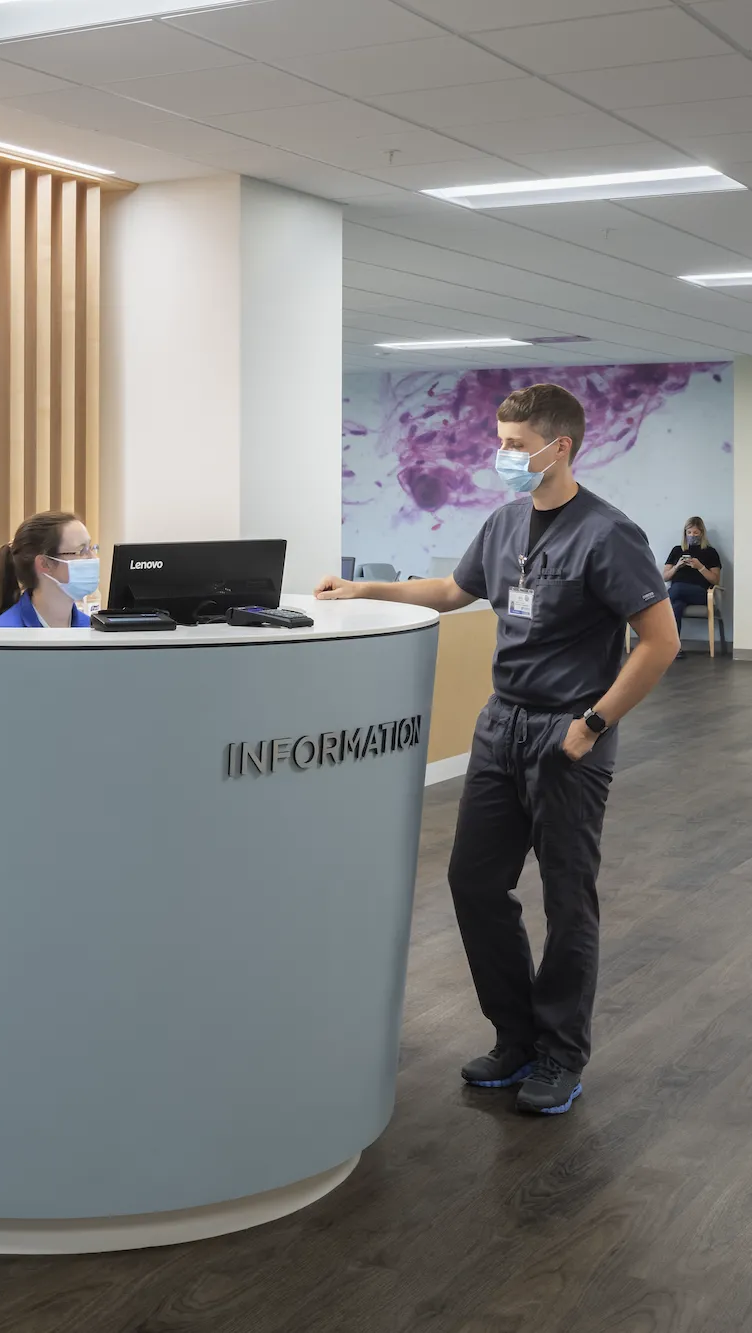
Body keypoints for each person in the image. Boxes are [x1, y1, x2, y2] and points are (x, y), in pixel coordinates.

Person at [315, 383, 679, 1116]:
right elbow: (454, 591)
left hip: (567, 733)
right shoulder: (506, 520)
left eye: (514, 446)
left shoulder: (609, 534)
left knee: (567, 899)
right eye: (501, 443)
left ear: (560, 447)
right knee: (474, 884)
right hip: (501, 724)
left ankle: (560, 1053)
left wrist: (594, 723)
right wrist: (361, 590)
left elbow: (661, 641)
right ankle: (514, 1038)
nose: (502, 458)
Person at [0, 511, 99, 628]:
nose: (93, 557)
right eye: (81, 551)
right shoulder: (5, 634)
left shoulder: (90, 628)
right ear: (44, 564)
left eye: (90, 548)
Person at [664, 517, 721, 658]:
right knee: (676, 606)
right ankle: (675, 649)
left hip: (700, 593)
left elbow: (715, 579)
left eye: (695, 533)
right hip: (678, 595)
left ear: (702, 533)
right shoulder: (677, 550)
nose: (692, 536)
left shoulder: (710, 552)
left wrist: (699, 567)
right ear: (685, 533)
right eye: (689, 532)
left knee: (674, 591)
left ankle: (658, 617)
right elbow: (665, 577)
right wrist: (677, 566)